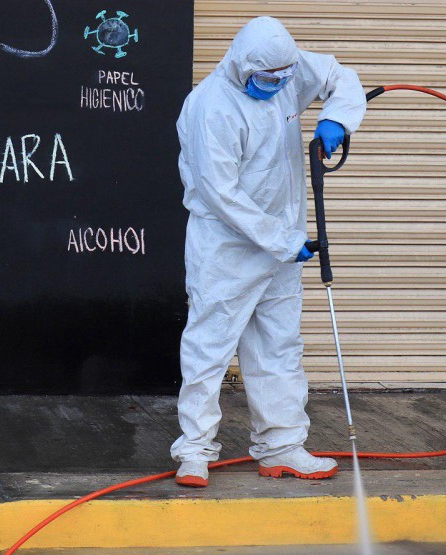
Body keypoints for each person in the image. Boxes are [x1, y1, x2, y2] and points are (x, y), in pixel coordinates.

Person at [171, 16, 366, 487]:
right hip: (228, 249)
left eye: (284, 79)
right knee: (210, 348)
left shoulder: (283, 72)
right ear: (242, 65)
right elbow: (223, 194)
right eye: (267, 79)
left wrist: (337, 117)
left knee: (279, 349)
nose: (278, 86)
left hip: (281, 249)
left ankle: (282, 447)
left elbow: (339, 75)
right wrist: (284, 240)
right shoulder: (210, 106)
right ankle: (195, 452)